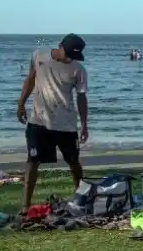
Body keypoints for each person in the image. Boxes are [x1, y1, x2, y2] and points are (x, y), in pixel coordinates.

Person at [16, 34, 90, 214]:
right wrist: (21, 104)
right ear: (60, 46)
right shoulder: (39, 55)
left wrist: (84, 125)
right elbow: (31, 79)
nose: (69, 58)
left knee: (73, 162)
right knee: (32, 160)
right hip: (38, 121)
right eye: (68, 54)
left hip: (66, 124)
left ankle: (80, 199)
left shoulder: (79, 70)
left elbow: (81, 97)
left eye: (74, 55)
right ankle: (26, 205)